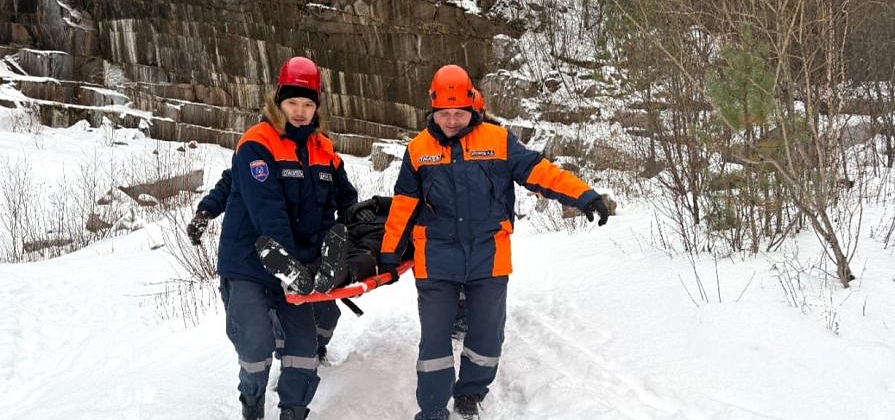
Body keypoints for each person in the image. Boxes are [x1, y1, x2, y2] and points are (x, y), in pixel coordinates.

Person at [378, 64, 610, 420]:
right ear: (433, 111)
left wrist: (584, 196)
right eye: (445, 114)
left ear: (473, 108)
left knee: (486, 337)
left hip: (488, 256)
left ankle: (470, 393)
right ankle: (434, 409)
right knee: (435, 342)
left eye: (459, 113)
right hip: (436, 260)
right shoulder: (418, 150)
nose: (452, 121)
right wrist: (389, 254)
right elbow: (404, 206)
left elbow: (540, 172)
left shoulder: (497, 140)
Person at [213, 56, 358, 420]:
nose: (299, 111)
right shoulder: (256, 145)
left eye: (308, 104)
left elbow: (347, 198)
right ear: (278, 101)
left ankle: (293, 411)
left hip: (301, 266)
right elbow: (269, 212)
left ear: (316, 108)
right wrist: (291, 266)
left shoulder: (324, 149)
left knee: (303, 352)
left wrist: (345, 235)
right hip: (250, 262)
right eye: (292, 102)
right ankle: (252, 400)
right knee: (256, 345)